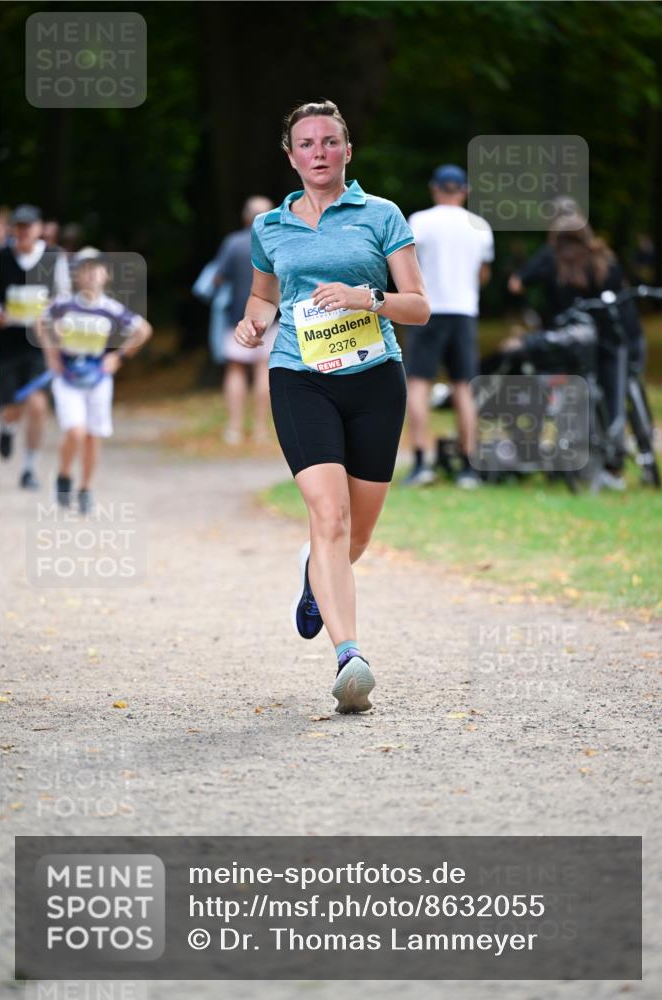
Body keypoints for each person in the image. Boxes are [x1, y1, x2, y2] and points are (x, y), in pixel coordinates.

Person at [235, 100, 429, 713]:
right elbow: (265, 295)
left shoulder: (382, 215)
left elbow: (419, 305)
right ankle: (350, 659)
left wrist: (365, 296)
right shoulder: (269, 227)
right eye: (306, 143)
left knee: (357, 534)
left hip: (375, 379)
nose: (318, 152)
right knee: (330, 516)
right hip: (300, 378)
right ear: (290, 156)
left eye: (329, 142)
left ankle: (313, 571)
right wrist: (252, 322)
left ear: (348, 151)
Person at [508, 214, 644, 489]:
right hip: (606, 344)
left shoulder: (552, 262)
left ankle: (564, 457)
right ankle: (612, 466)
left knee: (564, 394)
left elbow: (516, 283)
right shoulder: (604, 261)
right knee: (613, 401)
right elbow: (620, 301)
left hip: (568, 344)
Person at [39, 247, 152, 513]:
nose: (90, 275)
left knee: (92, 435)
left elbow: (143, 331)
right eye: (85, 269)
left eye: (96, 269)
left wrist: (118, 358)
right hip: (68, 378)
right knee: (75, 431)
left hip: (98, 379)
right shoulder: (64, 304)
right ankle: (64, 474)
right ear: (77, 274)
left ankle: (86, 488)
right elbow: (41, 324)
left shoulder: (110, 309)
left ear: (106, 274)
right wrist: (52, 356)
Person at [403, 165, 493, 489]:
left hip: (428, 309)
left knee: (418, 384)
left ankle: (420, 462)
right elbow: (483, 274)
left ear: (434, 188)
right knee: (464, 387)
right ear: (465, 190)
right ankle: (469, 467)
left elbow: (407, 265)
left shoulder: (420, 221)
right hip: (464, 311)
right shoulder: (480, 226)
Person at [0, 204, 70, 487]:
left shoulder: (53, 258)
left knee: (38, 405)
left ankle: (29, 468)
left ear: (39, 228)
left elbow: (63, 297)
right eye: (19, 226)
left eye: (28, 226)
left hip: (41, 344)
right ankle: (8, 425)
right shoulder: (1, 257)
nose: (23, 231)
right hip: (8, 342)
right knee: (13, 403)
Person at [212, 196, 277, 445]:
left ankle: (235, 429)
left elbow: (217, 279)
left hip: (237, 318)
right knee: (264, 370)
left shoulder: (233, 243)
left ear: (245, 217)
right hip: (272, 317)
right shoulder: (275, 241)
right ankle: (261, 430)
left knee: (236, 369)